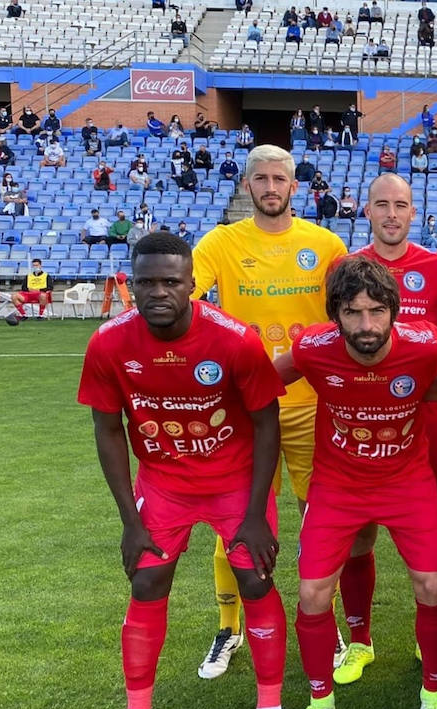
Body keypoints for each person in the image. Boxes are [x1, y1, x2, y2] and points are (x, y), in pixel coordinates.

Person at [78, 231, 288, 709]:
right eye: (145, 281)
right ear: (131, 283)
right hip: (164, 483)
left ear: (193, 285)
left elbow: (268, 425)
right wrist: (129, 520)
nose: (158, 292)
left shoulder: (235, 340)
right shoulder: (108, 343)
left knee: (255, 579)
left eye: (170, 281)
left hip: (234, 480)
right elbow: (107, 430)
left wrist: (256, 514)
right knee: (147, 580)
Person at [275, 255, 437, 709]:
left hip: (407, 482)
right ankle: (320, 703)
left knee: (430, 582)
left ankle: (432, 693)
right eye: (353, 313)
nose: (366, 325)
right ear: (334, 314)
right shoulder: (313, 348)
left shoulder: (424, 342)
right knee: (314, 594)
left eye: (377, 311)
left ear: (393, 311)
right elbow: (260, 382)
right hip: (337, 484)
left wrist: (432, 394)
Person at [191, 145, 349, 677]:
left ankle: (322, 625)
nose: (270, 187)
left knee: (319, 518)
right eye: (260, 178)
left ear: (294, 186)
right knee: (235, 519)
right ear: (248, 185)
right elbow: (183, 295)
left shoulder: (325, 243)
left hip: (310, 403)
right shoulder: (221, 241)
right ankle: (227, 628)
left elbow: (348, 311)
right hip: (247, 406)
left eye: (279, 178)